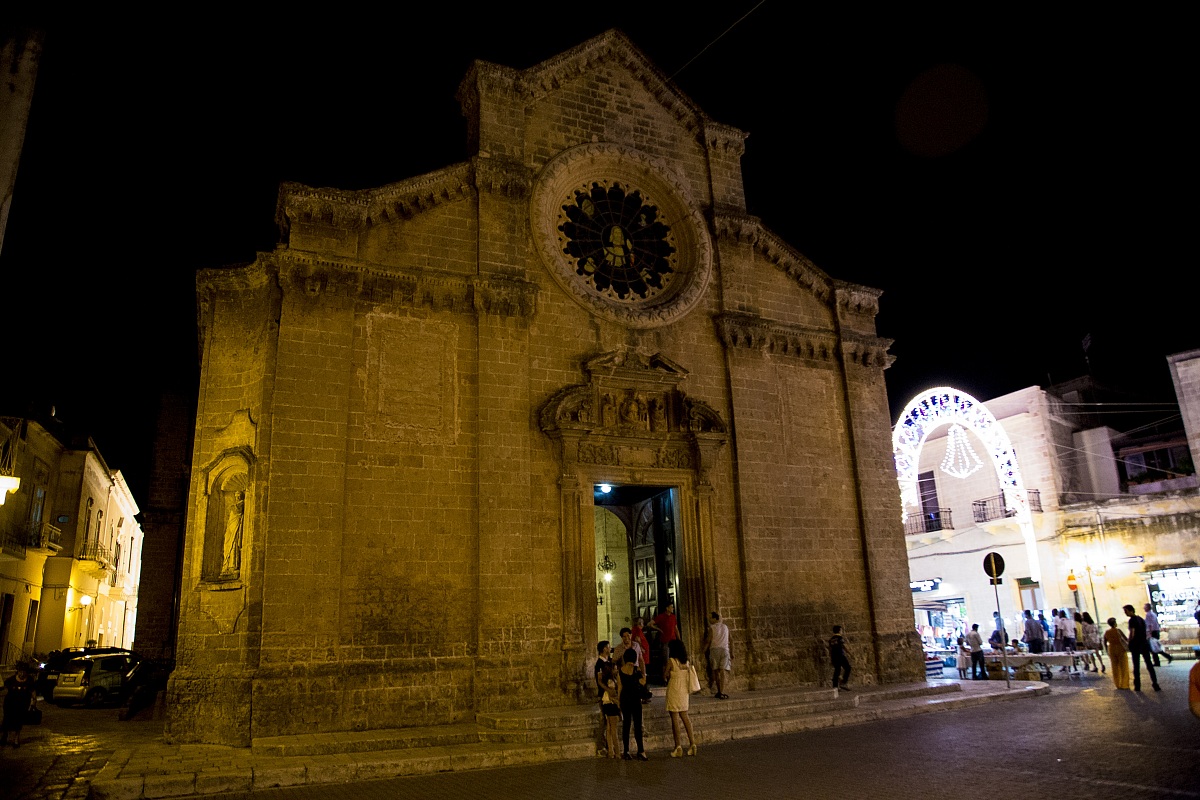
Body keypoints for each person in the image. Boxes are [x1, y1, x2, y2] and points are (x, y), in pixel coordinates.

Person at [663, 639, 698, 757]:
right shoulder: (686, 662)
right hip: (684, 691)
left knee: (675, 719)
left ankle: (678, 746)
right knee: (685, 717)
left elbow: (665, 675)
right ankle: (692, 743)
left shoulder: (671, 661)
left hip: (674, 689)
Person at [617, 649, 648, 760]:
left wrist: (619, 702)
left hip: (625, 699)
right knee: (637, 725)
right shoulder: (636, 670)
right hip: (635, 699)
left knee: (627, 725)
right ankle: (641, 750)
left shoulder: (620, 671)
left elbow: (620, 688)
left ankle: (626, 751)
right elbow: (643, 682)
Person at [1123, 604, 1160, 692]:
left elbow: (1132, 632)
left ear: (1130, 610)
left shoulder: (1132, 620)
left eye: (1126, 611)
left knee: (1136, 665)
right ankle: (1155, 683)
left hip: (1136, 644)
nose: (1125, 613)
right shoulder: (1141, 619)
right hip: (1144, 644)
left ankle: (1137, 686)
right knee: (1149, 664)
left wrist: (1129, 642)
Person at [1, 663, 37, 748]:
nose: (22, 674)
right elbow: (4, 688)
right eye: (20, 672)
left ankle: (16, 739)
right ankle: (4, 735)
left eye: (24, 672)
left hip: (22, 704)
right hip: (10, 703)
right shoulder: (11, 680)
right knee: (7, 719)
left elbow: (33, 692)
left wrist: (33, 702)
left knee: (19, 721)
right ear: (17, 672)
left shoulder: (29, 680)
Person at [702, 611, 731, 699]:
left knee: (716, 672)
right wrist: (732, 652)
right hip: (725, 650)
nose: (709, 620)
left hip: (715, 650)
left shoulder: (712, 628)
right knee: (722, 671)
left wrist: (702, 652)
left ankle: (719, 691)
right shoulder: (726, 627)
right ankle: (722, 691)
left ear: (715, 618)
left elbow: (708, 641)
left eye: (710, 618)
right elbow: (731, 640)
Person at [593, 641, 613, 755]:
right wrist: (607, 689)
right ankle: (600, 745)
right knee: (604, 721)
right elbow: (599, 680)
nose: (609, 649)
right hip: (604, 695)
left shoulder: (608, 662)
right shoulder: (599, 664)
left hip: (609, 694)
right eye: (608, 647)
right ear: (604, 649)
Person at [650, 602, 679, 682]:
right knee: (665, 660)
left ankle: (672, 676)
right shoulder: (661, 617)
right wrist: (659, 629)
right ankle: (665, 678)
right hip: (665, 641)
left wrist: (679, 640)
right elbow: (650, 624)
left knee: (674, 660)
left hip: (673, 641)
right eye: (671, 607)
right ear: (667, 608)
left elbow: (676, 629)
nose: (672, 608)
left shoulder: (673, 617)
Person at [599, 660, 621, 759]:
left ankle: (611, 752)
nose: (617, 670)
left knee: (608, 728)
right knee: (614, 729)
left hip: (606, 704)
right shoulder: (611, 681)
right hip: (612, 705)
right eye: (615, 668)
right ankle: (617, 752)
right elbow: (613, 694)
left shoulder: (605, 680)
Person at [1103, 617, 1131, 690]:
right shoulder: (1118, 631)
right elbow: (1125, 639)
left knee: (1115, 667)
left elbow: (1104, 642)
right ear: (1115, 623)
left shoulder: (1107, 632)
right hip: (1120, 648)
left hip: (1112, 649)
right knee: (1124, 666)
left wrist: (1107, 650)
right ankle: (1124, 684)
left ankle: (1117, 684)